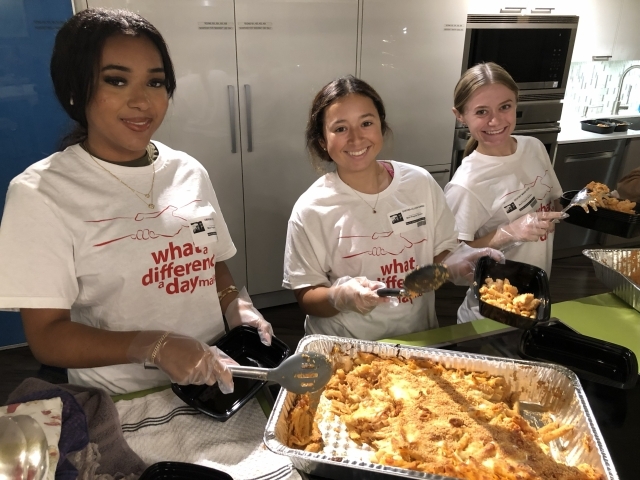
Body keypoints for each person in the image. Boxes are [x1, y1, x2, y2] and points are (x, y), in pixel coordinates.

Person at [0, 8, 273, 395]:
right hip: (126, 399)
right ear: (75, 88)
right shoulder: (41, 193)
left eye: (155, 82)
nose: (142, 101)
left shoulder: (188, 170)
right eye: (116, 80)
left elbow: (209, 262)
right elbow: (47, 336)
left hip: (218, 376)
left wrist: (235, 305)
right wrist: (154, 346)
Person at [282, 75, 503, 340]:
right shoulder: (311, 209)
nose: (355, 138)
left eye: (366, 123)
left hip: (418, 339)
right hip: (349, 349)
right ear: (322, 141)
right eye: (340, 129)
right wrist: (338, 296)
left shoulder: (419, 183)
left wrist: (453, 264)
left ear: (381, 128)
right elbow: (306, 296)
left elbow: (441, 254)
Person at [444, 62, 565, 324]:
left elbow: (552, 200)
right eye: (481, 111)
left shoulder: (533, 147)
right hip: (489, 313)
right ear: (460, 115)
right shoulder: (466, 185)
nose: (495, 120)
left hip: (533, 302)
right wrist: (510, 232)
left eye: (505, 107)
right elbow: (450, 266)